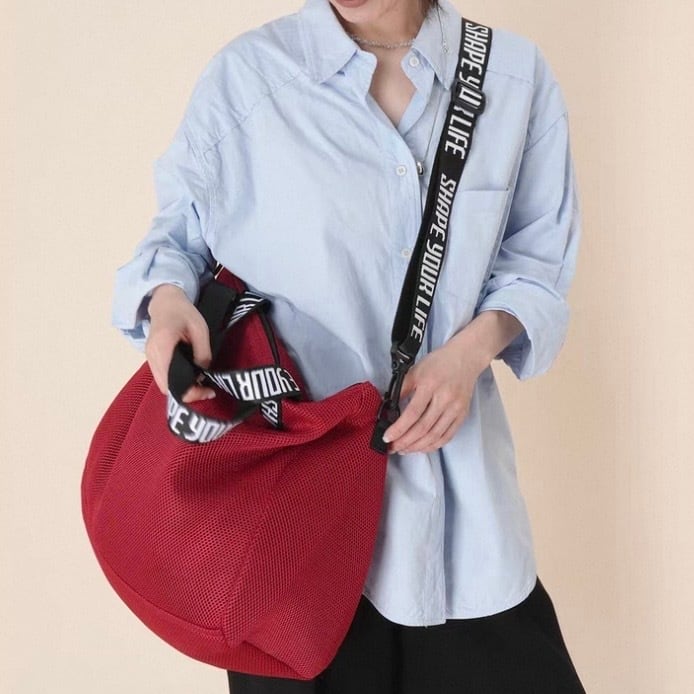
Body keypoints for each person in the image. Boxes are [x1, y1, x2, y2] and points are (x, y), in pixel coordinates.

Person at [111, 0, 587, 691]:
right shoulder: (249, 78)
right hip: (290, 535)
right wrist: (167, 307)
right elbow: (174, 242)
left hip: (463, 527)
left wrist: (469, 353)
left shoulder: (512, 77)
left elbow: (536, 264)